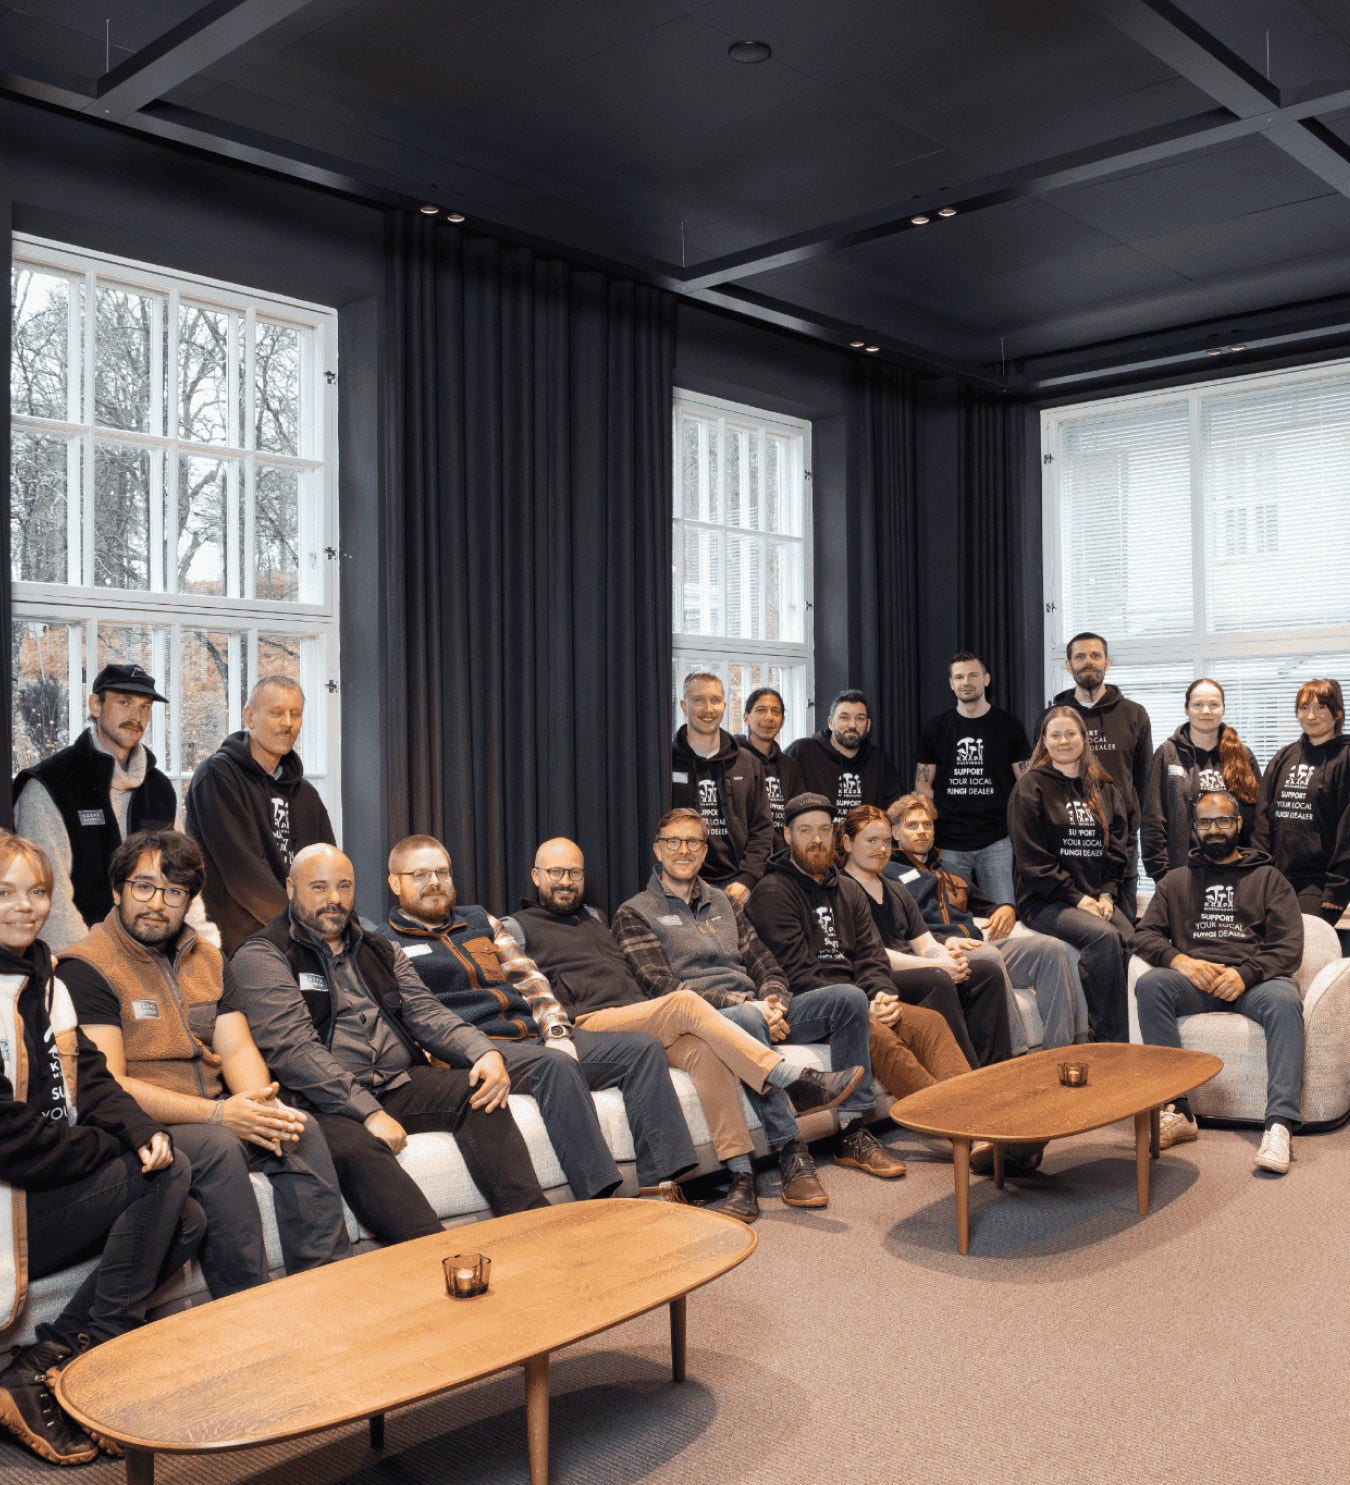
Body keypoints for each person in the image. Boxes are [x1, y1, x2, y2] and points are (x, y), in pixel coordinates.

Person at [506, 830, 863, 1222]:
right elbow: (525, 986)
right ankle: (789, 1078)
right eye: (555, 872)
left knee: (706, 1050)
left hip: (639, 1016)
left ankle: (741, 1174)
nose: (566, 881)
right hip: (591, 1021)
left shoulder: (594, 916)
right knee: (684, 1002)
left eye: (574, 872)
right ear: (536, 876)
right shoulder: (517, 926)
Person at [59, 829, 351, 1300]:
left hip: (215, 1109)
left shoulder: (209, 959)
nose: (157, 903)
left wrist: (259, 1107)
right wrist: (220, 1115)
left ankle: (326, 1287)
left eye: (174, 892)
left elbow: (237, 1050)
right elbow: (110, 1085)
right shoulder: (86, 966)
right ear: (117, 891)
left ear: (189, 900)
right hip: (140, 1128)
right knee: (219, 1146)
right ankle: (247, 1304)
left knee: (299, 1128)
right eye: (144, 887)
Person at [0, 832, 203, 1466]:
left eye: (37, 892)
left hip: (42, 1186)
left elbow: (91, 1077)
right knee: (165, 1178)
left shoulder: (44, 979)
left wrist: (142, 1130)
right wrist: (111, 1145)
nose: (25, 907)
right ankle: (96, 1367)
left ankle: (45, 1362)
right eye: (4, 892)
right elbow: (11, 1143)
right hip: (7, 1203)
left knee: (187, 1216)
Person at [232, 845, 549, 1244]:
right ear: (291, 889)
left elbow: (426, 1012)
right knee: (356, 1147)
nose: (334, 898)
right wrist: (368, 1112)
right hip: (321, 1102)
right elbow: (295, 1050)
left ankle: (533, 1229)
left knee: (480, 1093)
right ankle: (434, 1252)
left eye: (344, 886)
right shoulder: (264, 955)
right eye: (319, 887)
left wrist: (482, 1051)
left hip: (395, 1082)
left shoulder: (379, 948)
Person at [375, 834, 700, 1204]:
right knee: (554, 1065)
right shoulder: (384, 945)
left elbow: (530, 979)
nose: (434, 882)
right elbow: (412, 1019)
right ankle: (600, 1201)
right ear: (395, 882)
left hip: (530, 1035)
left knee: (642, 1049)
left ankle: (658, 1189)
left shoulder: (480, 920)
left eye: (442, 873)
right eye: (420, 875)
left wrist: (556, 1030)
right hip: (479, 1050)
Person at [608, 809, 866, 1217]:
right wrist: (745, 1007)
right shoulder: (634, 912)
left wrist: (774, 1002)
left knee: (848, 998)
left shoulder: (725, 902)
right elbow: (661, 988)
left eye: (693, 842)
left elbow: (765, 963)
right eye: (673, 841)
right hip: (710, 1017)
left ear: (704, 850)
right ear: (657, 850)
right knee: (747, 1020)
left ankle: (854, 1130)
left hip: (758, 1006)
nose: (683, 850)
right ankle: (790, 1150)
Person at [747, 793, 931, 1181]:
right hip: (802, 1005)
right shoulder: (772, 891)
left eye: (823, 830)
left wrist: (880, 993)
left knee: (928, 1023)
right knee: (853, 1007)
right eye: (805, 831)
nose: (816, 839)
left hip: (854, 1000)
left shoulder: (846, 888)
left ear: (834, 835)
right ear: (788, 836)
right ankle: (856, 1131)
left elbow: (871, 956)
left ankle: (974, 1110)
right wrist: (860, 1004)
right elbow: (796, 972)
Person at [1134, 790, 1305, 1175]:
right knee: (1152, 985)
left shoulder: (1269, 879)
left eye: (1223, 820)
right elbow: (1143, 935)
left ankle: (1279, 1124)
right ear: (1194, 827)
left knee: (1285, 999)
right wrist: (1180, 961)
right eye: (1205, 822)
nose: (1214, 830)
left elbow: (1289, 947)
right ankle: (1177, 1108)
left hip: (1254, 984)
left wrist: (1246, 974)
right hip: (1196, 984)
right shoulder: (1176, 881)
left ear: (1238, 823)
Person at [887, 794, 1089, 1049]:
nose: (922, 831)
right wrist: (943, 941)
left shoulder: (948, 870)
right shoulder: (889, 874)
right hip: (943, 952)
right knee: (989, 956)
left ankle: (1063, 1050)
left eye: (927, 824)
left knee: (1053, 948)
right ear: (895, 832)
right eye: (912, 825)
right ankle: (1016, 1052)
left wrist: (1005, 908)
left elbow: (986, 905)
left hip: (979, 942)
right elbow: (902, 931)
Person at [12, 663, 177, 951]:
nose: (136, 716)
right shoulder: (50, 786)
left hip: (150, 951)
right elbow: (51, 900)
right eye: (124, 702)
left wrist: (197, 946)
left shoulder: (160, 790)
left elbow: (178, 879)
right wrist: (96, 964)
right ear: (96, 705)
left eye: (145, 707)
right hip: (76, 956)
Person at [836, 804, 1011, 1067]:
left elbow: (925, 943)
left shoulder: (896, 890)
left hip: (914, 969)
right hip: (873, 975)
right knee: (937, 978)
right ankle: (966, 1073)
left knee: (986, 972)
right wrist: (938, 966)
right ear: (848, 843)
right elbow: (874, 955)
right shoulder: (840, 891)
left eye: (885, 841)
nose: (881, 848)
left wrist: (948, 959)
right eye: (871, 841)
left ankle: (996, 1069)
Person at [184, 675, 336, 954]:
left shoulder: (306, 795)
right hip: (238, 942)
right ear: (249, 716)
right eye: (276, 712)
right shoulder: (217, 776)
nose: (287, 723)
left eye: (295, 714)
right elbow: (245, 876)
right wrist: (308, 932)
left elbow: (329, 871)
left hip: (302, 936)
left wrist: (338, 928)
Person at [1008, 707, 1133, 1043]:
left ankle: (1134, 1036)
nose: (1063, 741)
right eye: (1055, 735)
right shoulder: (1030, 788)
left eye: (1070, 734)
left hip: (1094, 897)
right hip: (1045, 901)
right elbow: (1032, 861)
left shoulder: (1104, 788)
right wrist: (1076, 898)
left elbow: (1116, 850)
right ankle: (1107, 1042)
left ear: (1083, 738)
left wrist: (1106, 894)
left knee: (1136, 943)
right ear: (1044, 741)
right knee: (1103, 938)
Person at [914, 651, 1031, 912]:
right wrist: (932, 825)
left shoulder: (1009, 726)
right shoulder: (935, 728)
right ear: (951, 683)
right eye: (959, 677)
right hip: (949, 842)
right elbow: (922, 785)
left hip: (997, 840)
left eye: (972, 675)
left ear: (986, 679)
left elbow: (1026, 783)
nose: (966, 682)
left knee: (1004, 914)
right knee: (951, 918)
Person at [1046, 633, 1152, 918]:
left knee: (1122, 923)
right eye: (1080, 656)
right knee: (1074, 924)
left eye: (1095, 655)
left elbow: (1143, 780)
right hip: (1067, 838)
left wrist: (1131, 824)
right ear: (1069, 665)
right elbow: (1043, 777)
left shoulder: (1134, 714)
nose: (1088, 662)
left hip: (1119, 842)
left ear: (1108, 662)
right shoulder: (1053, 718)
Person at [1252, 678, 1350, 946]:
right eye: (1304, 708)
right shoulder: (1284, 756)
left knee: (1303, 947)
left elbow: (1347, 830)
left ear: (1337, 713)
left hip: (1319, 883)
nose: (1311, 716)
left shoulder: (1345, 758)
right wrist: (1259, 874)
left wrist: (1338, 887)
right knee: (1270, 947)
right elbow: (1262, 818)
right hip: (1277, 877)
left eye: (1320, 708)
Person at [1142, 678, 1261, 882]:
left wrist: (1252, 870)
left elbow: (1257, 820)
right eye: (1198, 704)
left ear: (1223, 709)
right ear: (1186, 709)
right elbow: (1152, 821)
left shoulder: (1243, 755)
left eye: (1214, 704)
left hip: (1235, 874)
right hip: (1182, 875)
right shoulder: (1167, 755)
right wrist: (1162, 876)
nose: (1206, 711)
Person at [671, 672, 773, 903]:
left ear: (724, 706)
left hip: (737, 887)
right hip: (681, 883)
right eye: (698, 700)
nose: (708, 709)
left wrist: (747, 879)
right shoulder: (666, 763)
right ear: (684, 706)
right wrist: (690, 880)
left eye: (715, 700)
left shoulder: (748, 763)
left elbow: (761, 828)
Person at [786, 690, 906, 821]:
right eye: (844, 717)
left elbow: (895, 814)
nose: (852, 725)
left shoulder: (880, 761)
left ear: (868, 725)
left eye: (860, 718)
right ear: (830, 723)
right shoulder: (802, 752)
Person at [735, 686, 802, 852]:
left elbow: (798, 814)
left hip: (781, 858)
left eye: (775, 712)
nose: (769, 717)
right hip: (744, 856)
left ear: (782, 721)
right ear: (746, 717)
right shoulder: (733, 759)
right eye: (761, 710)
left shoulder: (789, 765)